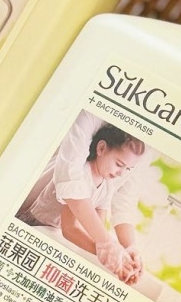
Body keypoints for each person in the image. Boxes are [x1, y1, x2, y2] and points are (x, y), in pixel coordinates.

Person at [20, 114, 146, 284]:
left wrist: (123, 258)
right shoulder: (82, 175)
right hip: (34, 222)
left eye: (128, 169)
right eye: (119, 164)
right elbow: (70, 229)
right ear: (101, 148)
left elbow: (98, 229)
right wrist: (106, 253)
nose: (121, 173)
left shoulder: (107, 185)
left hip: (50, 230)